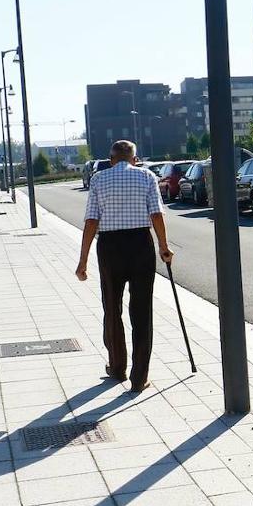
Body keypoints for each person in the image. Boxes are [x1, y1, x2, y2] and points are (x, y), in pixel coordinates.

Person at [76, 140, 173, 392]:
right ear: (134, 159)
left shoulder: (98, 179)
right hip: (141, 243)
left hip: (110, 246)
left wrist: (83, 260)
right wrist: (163, 245)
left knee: (112, 306)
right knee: (142, 310)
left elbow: (91, 220)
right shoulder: (147, 176)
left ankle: (117, 367)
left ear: (111, 160)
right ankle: (139, 378)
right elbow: (156, 214)